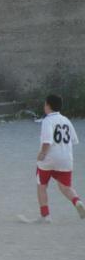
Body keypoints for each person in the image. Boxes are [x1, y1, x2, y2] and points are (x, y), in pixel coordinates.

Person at [34, 94, 85, 223]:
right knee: (66, 187)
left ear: (48, 105)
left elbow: (47, 141)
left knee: (42, 185)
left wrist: (42, 154)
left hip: (49, 158)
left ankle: (45, 216)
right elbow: (74, 140)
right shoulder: (66, 120)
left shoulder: (47, 120)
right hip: (66, 159)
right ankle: (77, 201)